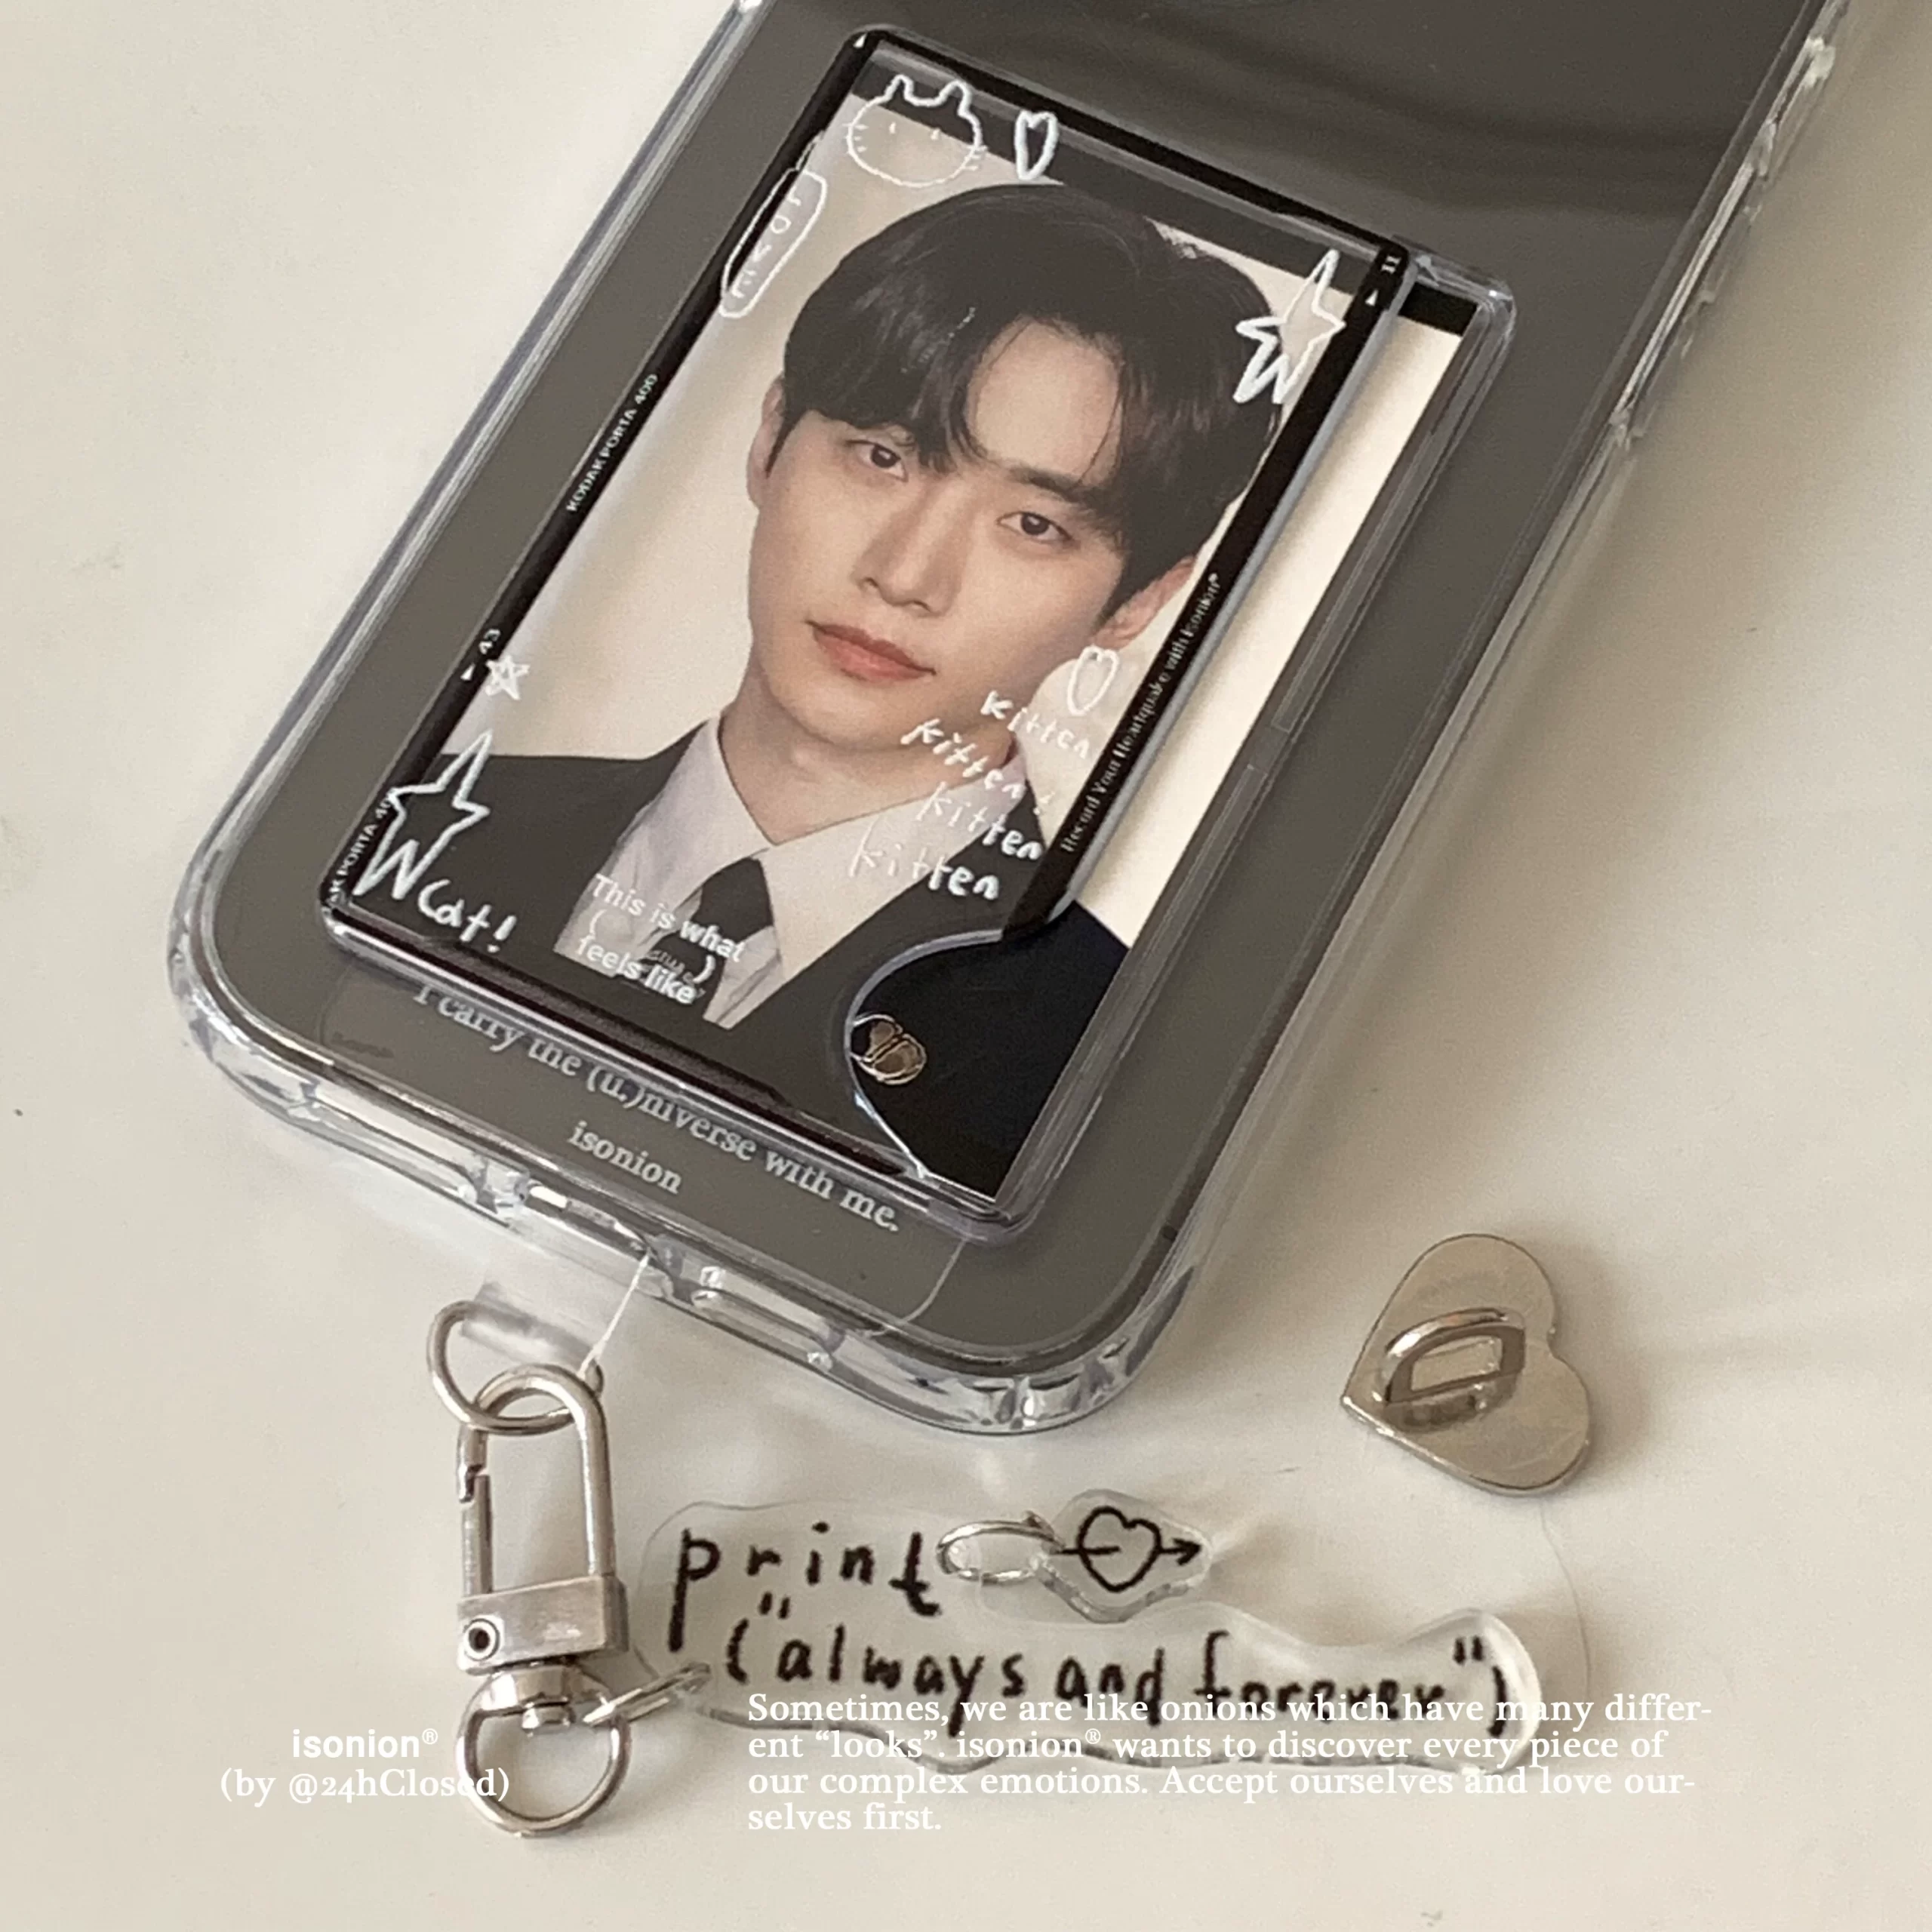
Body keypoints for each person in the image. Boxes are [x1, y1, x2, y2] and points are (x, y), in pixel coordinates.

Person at [415, 183, 1278, 1193]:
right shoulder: (437, 816)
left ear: (1140, 600)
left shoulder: (1098, 1044)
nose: (907, 576)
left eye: (1034, 526)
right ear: (771, 438)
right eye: (884, 456)